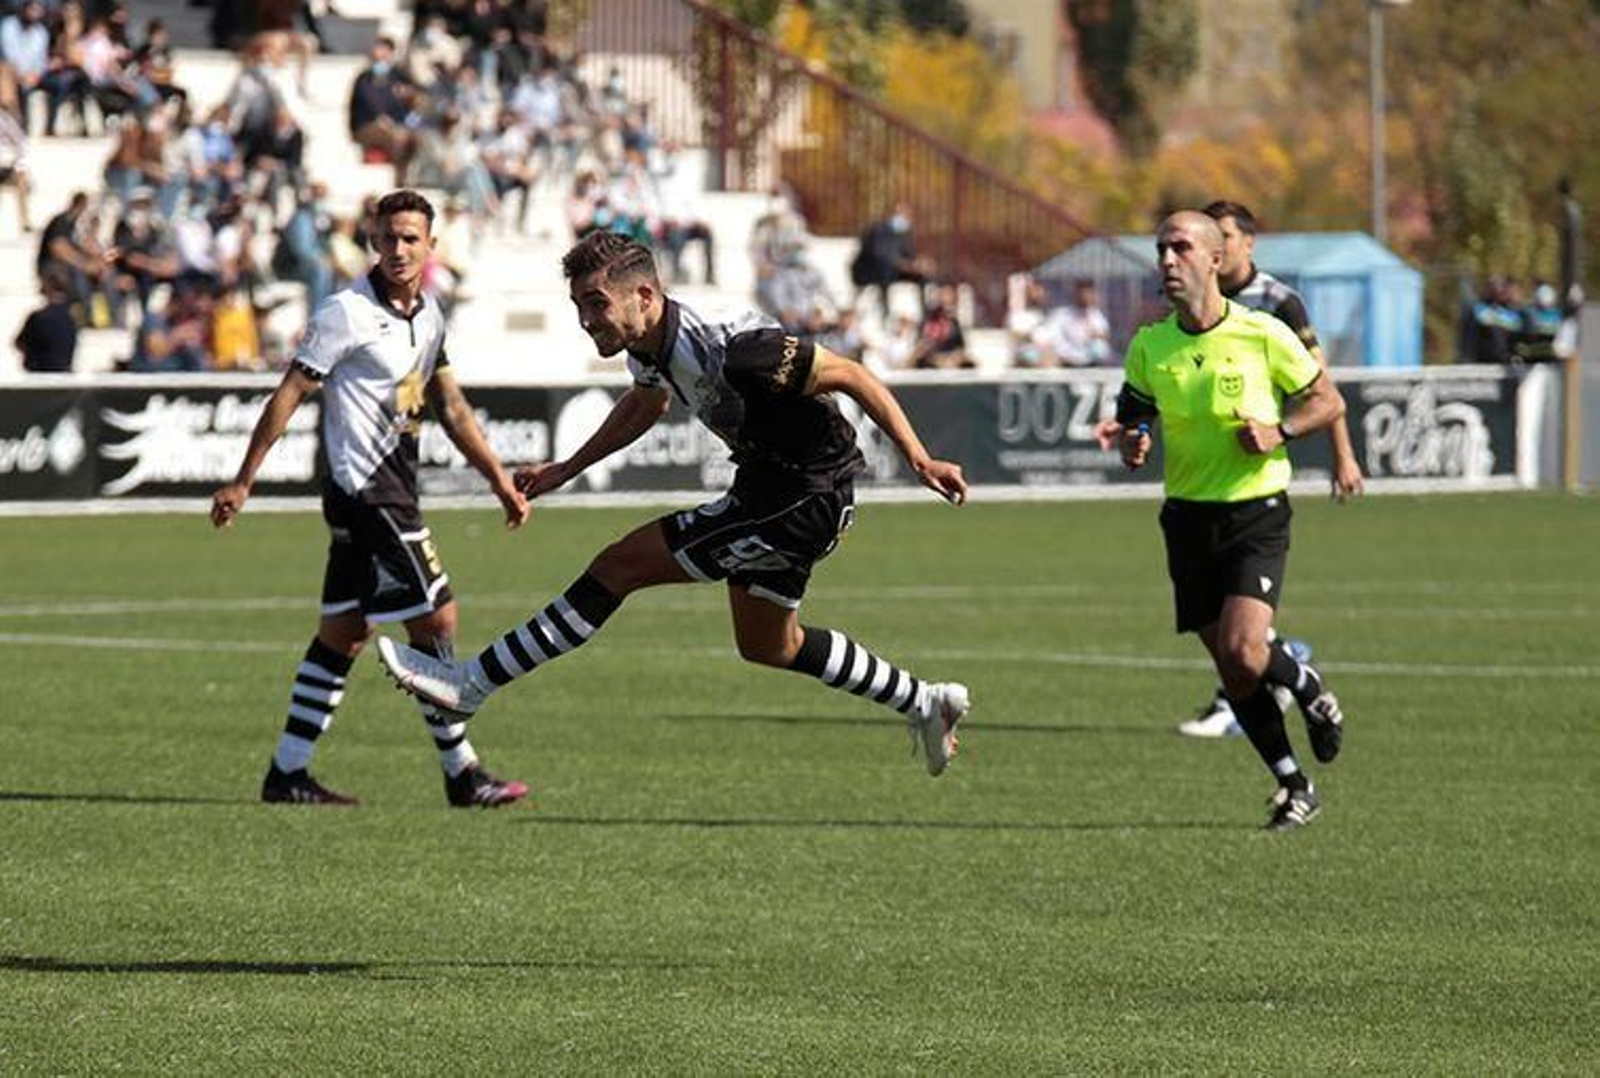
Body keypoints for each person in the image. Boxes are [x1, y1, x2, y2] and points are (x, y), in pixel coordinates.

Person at [375, 229, 973, 782]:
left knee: (619, 566)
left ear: (644, 294)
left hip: (801, 496)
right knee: (770, 645)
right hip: (770, 489)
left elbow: (852, 375)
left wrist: (919, 459)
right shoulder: (649, 343)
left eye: (595, 303)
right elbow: (646, 405)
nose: (586, 321)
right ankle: (926, 701)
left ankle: (472, 684)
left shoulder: (740, 350)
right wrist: (565, 469)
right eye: (580, 306)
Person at [210, 189, 533, 808]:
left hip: (389, 492)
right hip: (368, 495)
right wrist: (244, 478)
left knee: (344, 631)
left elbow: (452, 406)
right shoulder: (346, 312)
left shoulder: (431, 314)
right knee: (437, 619)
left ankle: (288, 772)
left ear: (430, 245)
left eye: (411, 238)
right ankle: (462, 772)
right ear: (373, 243)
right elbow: (289, 393)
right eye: (388, 238)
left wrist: (499, 481)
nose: (399, 249)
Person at [1112, 210, 1348, 831]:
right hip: (1186, 519)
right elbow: (1133, 417)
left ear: (1215, 259)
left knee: (1246, 654)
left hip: (1255, 511)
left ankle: (1304, 682)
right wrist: (1133, 442)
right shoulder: (1149, 345)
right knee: (1232, 669)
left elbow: (1327, 400)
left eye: (1180, 248)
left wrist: (1280, 430)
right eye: (1161, 249)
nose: (1167, 260)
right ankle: (1294, 784)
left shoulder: (1263, 332)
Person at [850, 200, 930, 320]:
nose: (905, 218)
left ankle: (925, 314)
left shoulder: (903, 233)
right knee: (885, 270)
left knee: (921, 276)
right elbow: (880, 255)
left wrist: (918, 263)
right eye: (902, 214)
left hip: (893, 271)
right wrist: (902, 264)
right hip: (869, 271)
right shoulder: (879, 230)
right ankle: (885, 313)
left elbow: (908, 254)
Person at [1038, 278, 1112, 367]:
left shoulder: (1095, 315)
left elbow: (1104, 334)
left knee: (1100, 347)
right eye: (1083, 294)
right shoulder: (1062, 314)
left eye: (1089, 294)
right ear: (1076, 294)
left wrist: (1095, 333)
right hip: (1066, 358)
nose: (1086, 297)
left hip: (1087, 357)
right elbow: (1048, 334)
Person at [16, 269, 77, 371]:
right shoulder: (72, 318)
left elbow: (19, 343)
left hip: (39, 375)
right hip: (64, 374)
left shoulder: (38, 317)